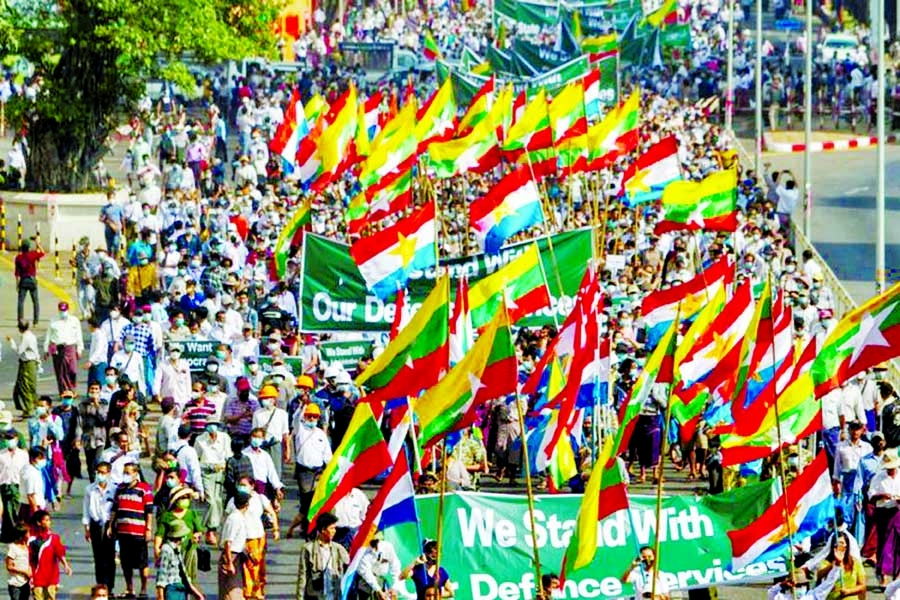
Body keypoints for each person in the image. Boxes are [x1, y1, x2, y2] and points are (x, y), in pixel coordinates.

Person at [224, 476, 278, 599]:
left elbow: (271, 512)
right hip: (245, 539)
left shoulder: (260, 498)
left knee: (259, 567)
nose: (241, 487)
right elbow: (227, 518)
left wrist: (276, 529)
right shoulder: (234, 500)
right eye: (240, 484)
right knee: (248, 568)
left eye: (244, 484)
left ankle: (258, 592)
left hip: (259, 538)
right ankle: (249, 594)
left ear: (252, 486)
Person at [108, 462, 154, 598]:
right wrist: (111, 525)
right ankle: (130, 588)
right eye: (125, 472)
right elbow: (115, 509)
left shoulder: (144, 489)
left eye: (128, 472)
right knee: (126, 563)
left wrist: (148, 529)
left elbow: (149, 511)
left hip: (138, 532)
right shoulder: (120, 489)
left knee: (142, 563)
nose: (126, 475)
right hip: (123, 532)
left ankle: (144, 589)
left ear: (136, 474)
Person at [292, 402, 331, 536]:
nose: (312, 419)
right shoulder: (300, 429)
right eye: (310, 416)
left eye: (315, 417)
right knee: (306, 499)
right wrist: (302, 405)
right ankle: (306, 527)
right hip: (304, 472)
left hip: (318, 471)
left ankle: (313, 526)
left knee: (317, 499)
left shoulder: (320, 434)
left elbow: (327, 454)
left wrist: (329, 469)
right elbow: (296, 418)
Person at [154, 485, 204, 586]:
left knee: (189, 580)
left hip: (188, 551)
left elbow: (199, 531)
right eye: (182, 497)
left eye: (187, 497)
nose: (185, 500)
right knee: (169, 579)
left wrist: (197, 536)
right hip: (171, 552)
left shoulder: (192, 514)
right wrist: (157, 548)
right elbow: (160, 534)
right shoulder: (166, 516)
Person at [296, 512, 349, 600]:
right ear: (323, 530)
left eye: (335, 528)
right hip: (315, 593)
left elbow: (349, 564)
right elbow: (303, 574)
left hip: (333, 592)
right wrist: (300, 597)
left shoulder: (338, 548)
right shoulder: (308, 548)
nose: (334, 531)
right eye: (332, 528)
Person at [194, 420, 230, 545]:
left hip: (220, 472)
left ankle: (212, 528)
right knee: (211, 501)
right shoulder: (200, 439)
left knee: (218, 500)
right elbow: (196, 458)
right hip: (205, 472)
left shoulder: (224, 438)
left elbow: (228, 455)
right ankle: (208, 528)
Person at [82, 461, 115, 593]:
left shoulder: (114, 489)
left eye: (103, 472)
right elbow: (86, 509)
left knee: (109, 557)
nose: (100, 475)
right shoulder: (89, 489)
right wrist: (86, 528)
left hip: (109, 525)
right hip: (95, 525)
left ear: (108, 473)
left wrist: (112, 525)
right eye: (98, 472)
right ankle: (100, 585)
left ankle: (109, 587)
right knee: (98, 557)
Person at [27, 510, 72, 600]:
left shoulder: (54, 538)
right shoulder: (31, 539)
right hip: (37, 577)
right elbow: (29, 558)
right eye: (46, 520)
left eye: (49, 520)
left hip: (51, 577)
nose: (49, 522)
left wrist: (66, 565)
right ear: (39, 523)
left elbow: (60, 553)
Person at [43, 302, 84, 394]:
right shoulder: (53, 320)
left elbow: (79, 335)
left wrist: (79, 348)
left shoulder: (74, 320)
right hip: (57, 347)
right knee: (60, 372)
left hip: (70, 347)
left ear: (68, 310)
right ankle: (64, 391)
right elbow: (48, 335)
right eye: (61, 310)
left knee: (72, 370)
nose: (63, 312)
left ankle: (72, 389)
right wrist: (46, 349)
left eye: (64, 310)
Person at [252, 384, 291, 479]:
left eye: (267, 398)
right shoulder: (257, 414)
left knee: (276, 472)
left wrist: (287, 451)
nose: (264, 400)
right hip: (262, 445)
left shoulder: (282, 414)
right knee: (261, 472)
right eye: (263, 398)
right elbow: (254, 432)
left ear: (274, 399)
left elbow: (285, 434)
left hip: (276, 445)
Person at [816, 532, 866, 600]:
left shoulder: (855, 562)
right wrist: (835, 564)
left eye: (842, 543)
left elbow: (862, 586)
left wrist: (849, 591)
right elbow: (819, 575)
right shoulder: (826, 562)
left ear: (847, 546)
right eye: (837, 543)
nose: (839, 546)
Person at [219, 491, 250, 600]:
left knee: (237, 590)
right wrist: (229, 563)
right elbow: (228, 543)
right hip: (231, 556)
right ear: (247, 504)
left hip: (237, 556)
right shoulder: (234, 518)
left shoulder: (239, 517)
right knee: (230, 592)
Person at [356, 531, 401, 600]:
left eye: (378, 541)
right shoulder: (363, 551)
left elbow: (395, 566)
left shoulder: (388, 547)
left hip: (381, 579)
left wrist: (395, 586)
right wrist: (378, 590)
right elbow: (366, 573)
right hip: (365, 582)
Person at [8, 321, 40, 418]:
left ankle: (28, 409)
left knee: (25, 387)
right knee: (27, 386)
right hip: (30, 362)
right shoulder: (31, 335)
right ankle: (30, 407)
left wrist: (11, 342)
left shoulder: (26, 337)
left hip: (27, 363)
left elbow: (19, 350)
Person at [80, 382, 109, 483]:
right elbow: (81, 420)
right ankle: (93, 483)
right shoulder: (83, 404)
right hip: (88, 438)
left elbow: (103, 419)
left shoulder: (104, 403)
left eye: (96, 389)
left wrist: (97, 405)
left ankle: (99, 481)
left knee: (97, 461)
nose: (94, 391)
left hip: (99, 438)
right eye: (92, 389)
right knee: (90, 463)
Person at [0, 431, 26, 543]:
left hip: (18, 485)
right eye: (7, 438)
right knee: (6, 511)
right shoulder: (1, 455)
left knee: (16, 511)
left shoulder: (23, 455)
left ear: (16, 439)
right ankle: (8, 535)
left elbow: (26, 471)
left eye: (11, 438)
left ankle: (18, 534)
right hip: (4, 485)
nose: (9, 441)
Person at [14, 239, 44, 325]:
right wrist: (38, 244)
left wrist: (17, 285)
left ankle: (20, 320)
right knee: (35, 301)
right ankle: (36, 321)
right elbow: (43, 253)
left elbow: (17, 273)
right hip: (32, 281)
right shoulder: (32, 254)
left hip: (23, 281)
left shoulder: (18, 258)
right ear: (29, 247)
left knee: (21, 302)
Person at [5, 525, 31, 600]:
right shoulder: (13, 548)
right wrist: (24, 572)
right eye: (28, 533)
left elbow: (28, 561)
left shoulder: (26, 546)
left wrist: (29, 570)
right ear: (22, 535)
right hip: (15, 584)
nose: (29, 535)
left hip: (25, 582)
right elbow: (9, 567)